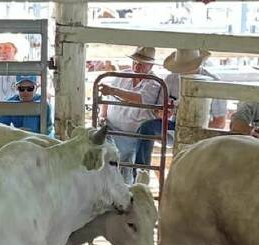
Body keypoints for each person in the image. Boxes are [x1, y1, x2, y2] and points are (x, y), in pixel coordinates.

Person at [97, 47, 163, 181]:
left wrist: (113, 91)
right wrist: (103, 115)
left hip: (133, 136)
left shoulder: (154, 82)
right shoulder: (123, 75)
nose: (137, 66)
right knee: (106, 164)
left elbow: (140, 98)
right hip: (111, 129)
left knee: (123, 169)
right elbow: (108, 100)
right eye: (135, 62)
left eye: (141, 63)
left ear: (150, 66)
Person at [162, 48, 228, 129]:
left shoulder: (214, 83)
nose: (183, 71)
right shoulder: (170, 80)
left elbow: (219, 122)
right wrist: (165, 112)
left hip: (202, 129)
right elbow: (159, 112)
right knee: (148, 127)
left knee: (149, 128)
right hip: (175, 127)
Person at [0, 38, 22, 102]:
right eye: (0, 48)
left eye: (7, 47)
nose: (3, 51)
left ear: (15, 50)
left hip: (17, 109)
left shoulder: (23, 68)